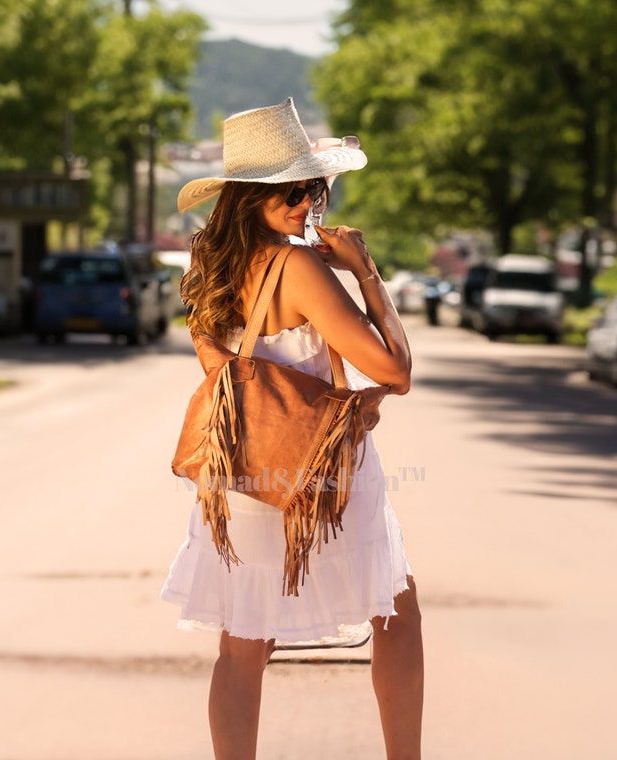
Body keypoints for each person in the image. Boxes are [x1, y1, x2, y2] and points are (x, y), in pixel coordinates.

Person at [161, 97, 423, 760]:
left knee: (243, 642)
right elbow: (394, 367)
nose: (309, 202)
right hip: (318, 476)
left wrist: (353, 401)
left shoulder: (207, 269)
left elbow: (237, 383)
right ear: (253, 195)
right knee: (394, 610)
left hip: (243, 474)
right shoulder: (299, 267)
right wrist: (365, 269)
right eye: (293, 190)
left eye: (316, 188)